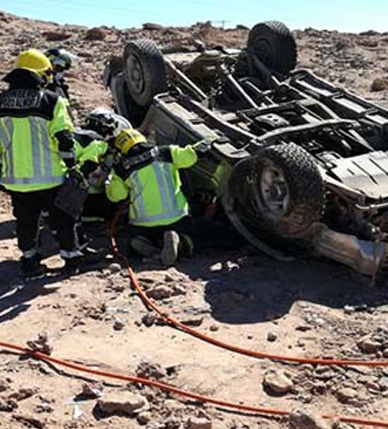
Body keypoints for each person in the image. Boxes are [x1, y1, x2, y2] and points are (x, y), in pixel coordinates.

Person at [0, 49, 84, 277]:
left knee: (25, 222)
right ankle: (71, 260)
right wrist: (72, 167)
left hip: (16, 181)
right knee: (63, 219)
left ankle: (29, 262)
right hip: (50, 178)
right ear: (42, 74)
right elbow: (64, 138)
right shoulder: (51, 100)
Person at [106, 128, 212, 266]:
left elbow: (116, 196)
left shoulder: (121, 168)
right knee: (203, 236)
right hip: (176, 218)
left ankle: (145, 243)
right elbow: (189, 157)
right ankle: (181, 244)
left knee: (133, 235)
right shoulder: (165, 152)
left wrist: (108, 181)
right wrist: (205, 144)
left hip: (142, 223)